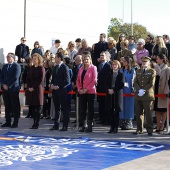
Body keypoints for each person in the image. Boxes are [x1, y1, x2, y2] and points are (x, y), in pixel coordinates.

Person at [134, 56, 156, 136]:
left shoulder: (152, 71)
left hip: (147, 95)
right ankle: (139, 129)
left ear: (149, 63)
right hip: (139, 95)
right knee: (139, 112)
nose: (144, 63)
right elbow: (135, 81)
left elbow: (151, 83)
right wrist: (139, 89)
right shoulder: (138, 71)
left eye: (145, 62)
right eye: (143, 62)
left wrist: (143, 90)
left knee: (148, 113)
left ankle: (149, 130)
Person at [76, 54, 97, 132]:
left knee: (90, 108)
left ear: (90, 60)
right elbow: (78, 80)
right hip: (82, 91)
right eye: (85, 59)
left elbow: (94, 80)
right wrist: (79, 88)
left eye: (87, 59)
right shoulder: (81, 69)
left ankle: (90, 125)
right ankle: (83, 125)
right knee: (83, 108)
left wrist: (86, 89)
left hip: (90, 91)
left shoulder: (93, 68)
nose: (86, 61)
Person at [50, 52, 70, 131]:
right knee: (57, 108)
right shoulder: (55, 67)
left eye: (56, 57)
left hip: (61, 91)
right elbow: (53, 78)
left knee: (64, 109)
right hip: (55, 91)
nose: (55, 58)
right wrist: (52, 85)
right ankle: (56, 124)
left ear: (59, 58)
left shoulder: (65, 67)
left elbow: (67, 80)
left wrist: (58, 86)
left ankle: (65, 125)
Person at [1, 53, 21, 128]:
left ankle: (15, 122)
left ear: (12, 58)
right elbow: (1, 76)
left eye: (9, 57)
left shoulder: (17, 66)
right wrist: (3, 84)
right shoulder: (5, 66)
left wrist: (8, 85)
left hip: (13, 89)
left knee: (14, 106)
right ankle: (8, 121)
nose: (7, 58)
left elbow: (16, 77)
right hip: (5, 89)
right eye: (7, 57)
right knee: (7, 105)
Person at [26, 53, 45, 129]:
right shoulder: (31, 68)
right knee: (33, 107)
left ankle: (37, 123)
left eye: (35, 59)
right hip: (31, 90)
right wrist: (29, 87)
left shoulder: (41, 68)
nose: (33, 60)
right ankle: (34, 122)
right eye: (33, 59)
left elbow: (41, 79)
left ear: (38, 60)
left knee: (38, 107)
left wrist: (33, 87)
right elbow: (27, 78)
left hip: (38, 89)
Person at [105, 60, 125, 133]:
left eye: (115, 65)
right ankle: (111, 127)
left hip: (117, 94)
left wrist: (114, 90)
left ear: (118, 65)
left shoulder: (121, 74)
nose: (114, 66)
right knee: (110, 110)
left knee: (116, 111)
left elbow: (121, 84)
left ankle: (116, 127)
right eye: (113, 64)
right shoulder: (109, 73)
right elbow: (106, 83)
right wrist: (109, 89)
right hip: (110, 94)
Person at [154, 54, 170, 134]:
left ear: (162, 59)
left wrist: (165, 92)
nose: (156, 60)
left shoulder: (167, 69)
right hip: (156, 90)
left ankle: (162, 125)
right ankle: (158, 125)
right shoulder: (156, 67)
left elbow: (168, 81)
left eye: (158, 59)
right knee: (157, 109)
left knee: (163, 110)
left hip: (163, 91)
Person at [119, 57, 136, 130]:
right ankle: (122, 121)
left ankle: (129, 122)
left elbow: (134, 80)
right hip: (122, 90)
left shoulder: (132, 70)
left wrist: (133, 90)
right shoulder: (121, 70)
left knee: (129, 106)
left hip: (129, 90)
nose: (123, 62)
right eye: (123, 61)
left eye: (125, 61)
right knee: (122, 105)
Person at [96, 51, 111, 125]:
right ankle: (102, 118)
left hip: (105, 87)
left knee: (106, 104)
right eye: (100, 55)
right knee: (101, 104)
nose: (101, 56)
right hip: (99, 87)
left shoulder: (108, 66)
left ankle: (107, 119)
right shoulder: (99, 65)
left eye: (103, 55)